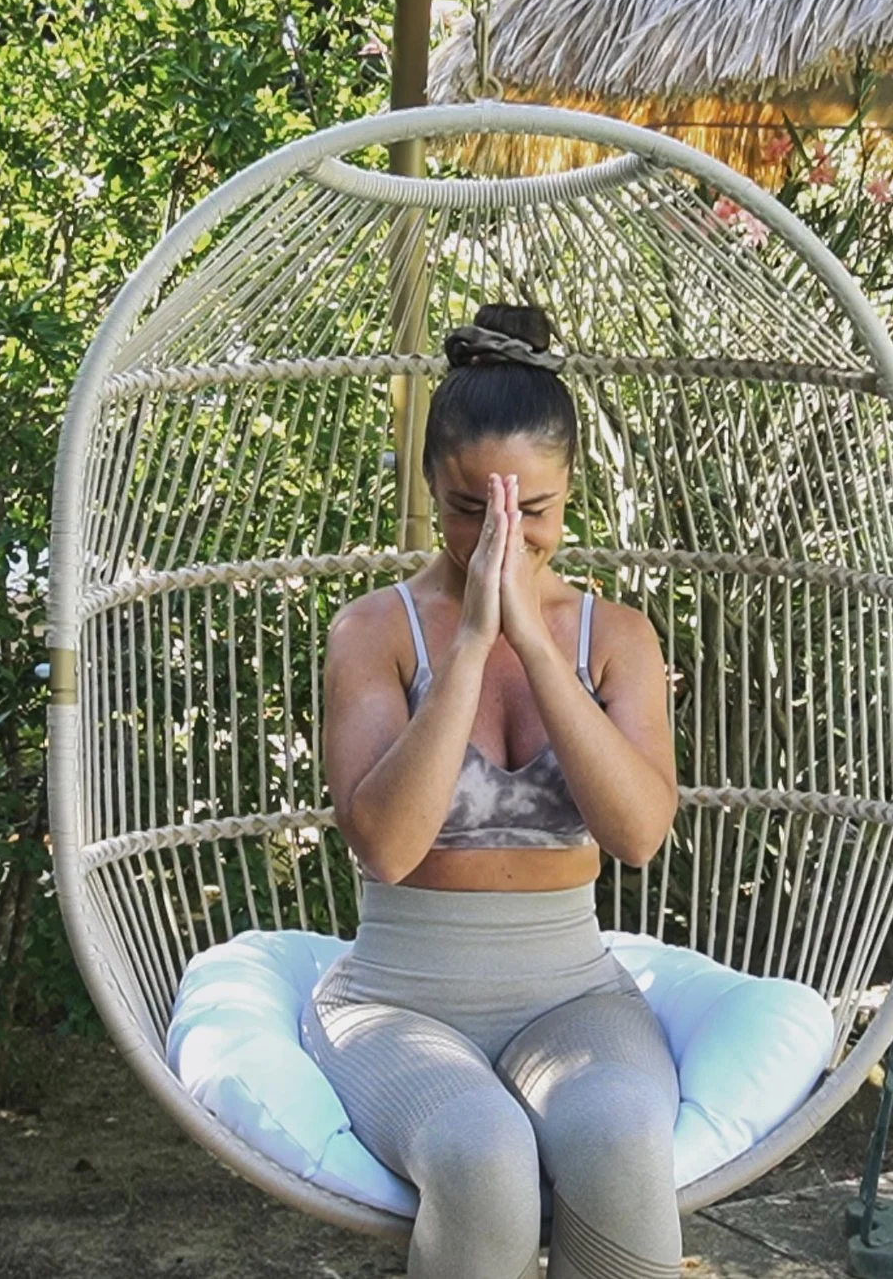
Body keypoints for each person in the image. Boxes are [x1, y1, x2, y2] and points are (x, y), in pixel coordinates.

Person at [311, 303, 684, 1279]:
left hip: (570, 994)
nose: (500, 538)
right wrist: (473, 642)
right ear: (431, 490)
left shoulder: (619, 636)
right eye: (470, 508)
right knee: (482, 1157)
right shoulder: (375, 632)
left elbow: (638, 834)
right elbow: (386, 846)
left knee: (624, 1140)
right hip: (399, 998)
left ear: (568, 494)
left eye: (534, 512)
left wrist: (535, 639)